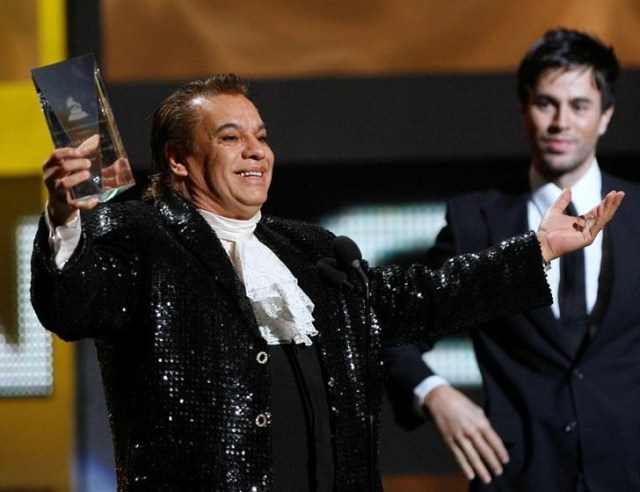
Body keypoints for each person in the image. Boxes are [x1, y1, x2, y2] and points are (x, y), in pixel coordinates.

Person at [30, 73, 622, 492]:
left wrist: (539, 249)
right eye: (231, 137)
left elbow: (423, 297)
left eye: (261, 136)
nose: (256, 151)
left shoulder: (311, 249)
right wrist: (63, 218)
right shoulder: (139, 235)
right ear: (179, 161)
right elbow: (73, 305)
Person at [384, 28, 639, 491]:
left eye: (579, 105)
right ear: (524, 109)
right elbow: (395, 323)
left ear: (605, 116)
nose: (561, 121)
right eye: (546, 103)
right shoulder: (477, 222)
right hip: (518, 476)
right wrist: (434, 393)